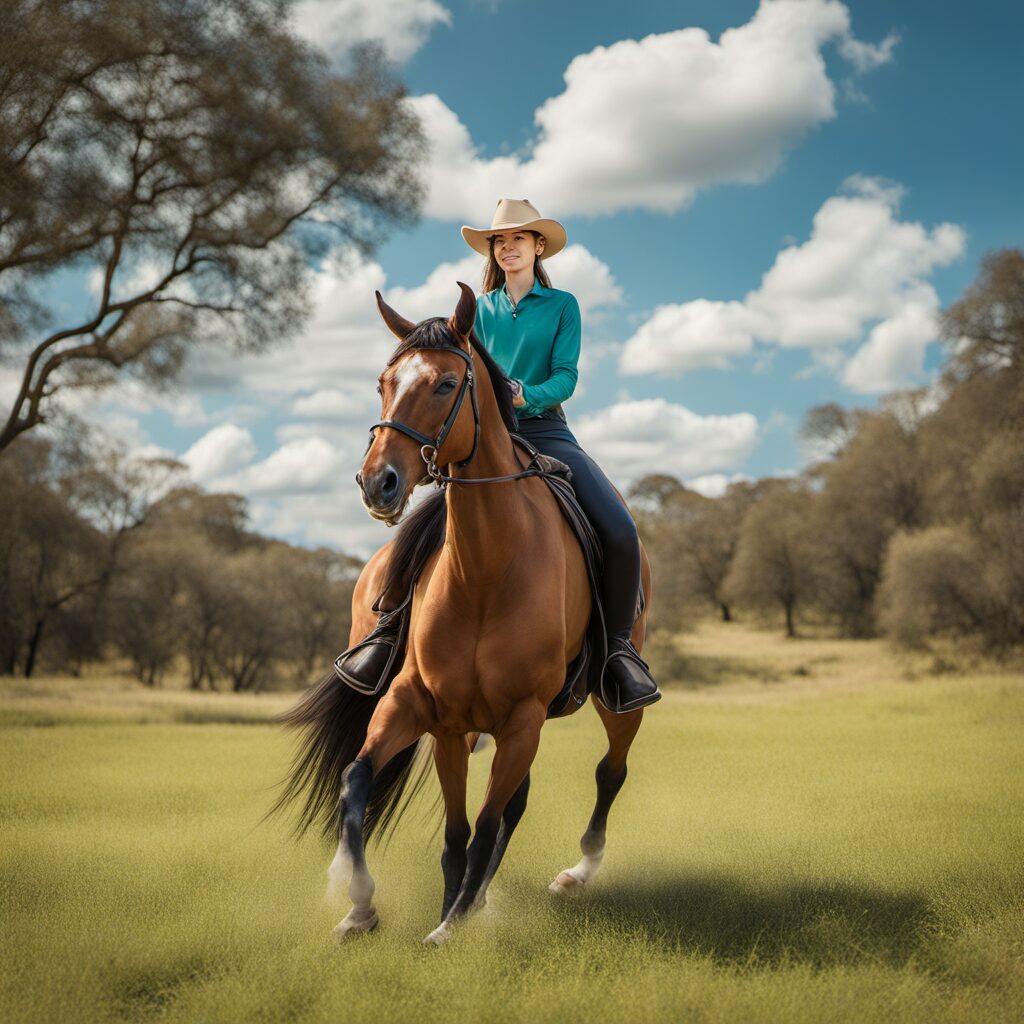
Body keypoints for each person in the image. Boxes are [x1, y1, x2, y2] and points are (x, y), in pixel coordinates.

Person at [335, 199, 661, 713]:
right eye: (499, 241)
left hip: (547, 432)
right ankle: (386, 632)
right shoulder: (476, 312)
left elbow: (566, 377)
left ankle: (618, 652)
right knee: (417, 534)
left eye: (518, 239)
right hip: (485, 442)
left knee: (620, 528)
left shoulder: (563, 306)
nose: (507, 248)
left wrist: (525, 394)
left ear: (538, 247)